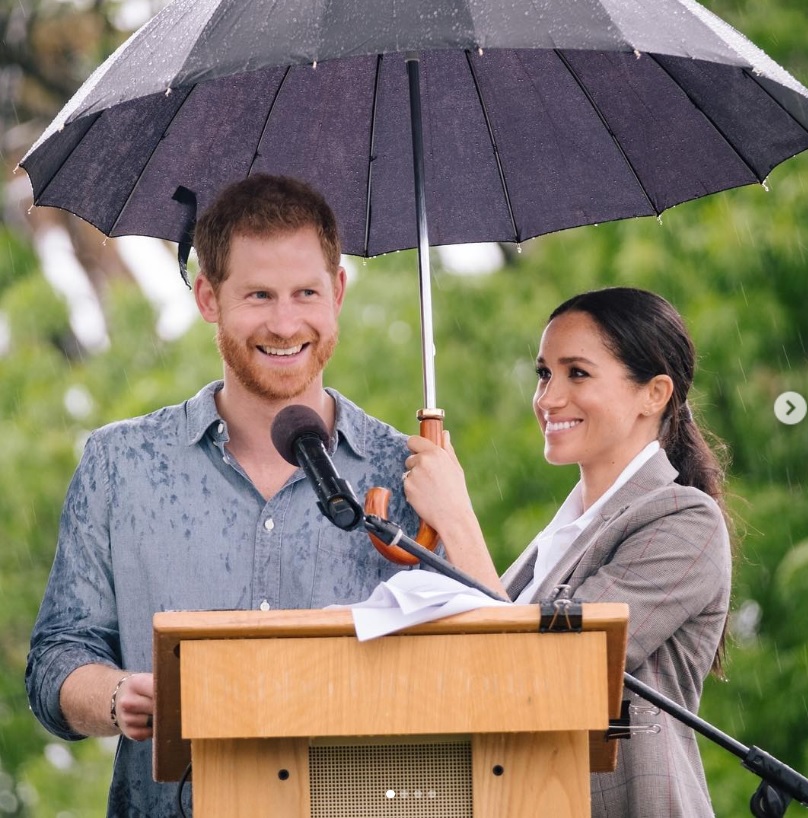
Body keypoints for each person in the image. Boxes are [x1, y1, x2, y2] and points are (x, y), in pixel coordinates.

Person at [26, 174, 420, 816]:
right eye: (259, 295)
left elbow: (473, 661)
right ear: (208, 297)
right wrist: (117, 694)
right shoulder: (119, 464)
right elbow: (54, 661)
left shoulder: (405, 470)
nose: (286, 322)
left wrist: (452, 508)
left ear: (338, 292)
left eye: (306, 293)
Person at [402, 287, 733, 818]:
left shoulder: (683, 522)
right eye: (544, 374)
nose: (548, 398)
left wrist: (459, 521)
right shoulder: (557, 540)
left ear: (654, 393)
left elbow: (546, 676)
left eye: (577, 373)